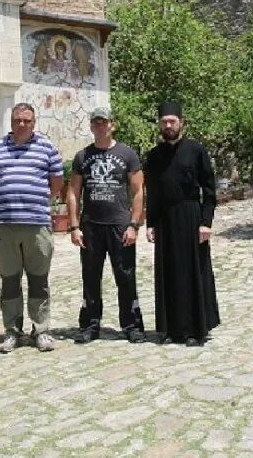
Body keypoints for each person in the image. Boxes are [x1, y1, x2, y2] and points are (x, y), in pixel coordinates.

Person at [0, 103, 64, 353]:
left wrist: (35, 201)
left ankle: (41, 330)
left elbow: (57, 183)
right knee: (10, 280)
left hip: (37, 224)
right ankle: (12, 332)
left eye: (27, 121)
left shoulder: (47, 148)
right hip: (5, 225)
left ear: (34, 122)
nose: (22, 125)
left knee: (39, 279)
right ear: (11, 121)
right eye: (17, 120)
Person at [67, 107, 146, 344]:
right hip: (91, 225)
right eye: (96, 123)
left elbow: (139, 191)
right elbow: (73, 191)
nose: (100, 127)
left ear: (113, 125)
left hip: (120, 225)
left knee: (125, 276)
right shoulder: (82, 156)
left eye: (104, 122)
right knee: (90, 276)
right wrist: (73, 226)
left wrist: (134, 224)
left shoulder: (127, 154)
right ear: (91, 126)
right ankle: (90, 324)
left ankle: (131, 324)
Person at [144, 101, 220, 345]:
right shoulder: (154, 156)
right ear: (159, 125)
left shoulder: (196, 150)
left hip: (190, 216)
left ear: (181, 123)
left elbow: (209, 188)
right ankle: (170, 329)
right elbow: (153, 191)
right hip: (165, 219)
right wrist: (151, 222)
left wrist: (206, 222)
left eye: (172, 121)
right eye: (164, 121)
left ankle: (194, 329)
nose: (168, 125)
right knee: (168, 272)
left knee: (192, 271)